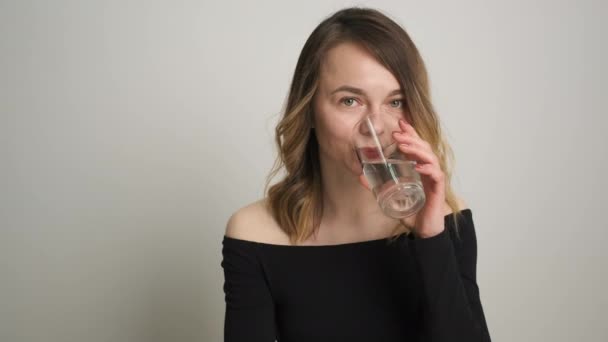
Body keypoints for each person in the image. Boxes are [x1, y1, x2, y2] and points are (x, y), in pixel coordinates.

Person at [220, 6, 492, 342]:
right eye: (350, 101)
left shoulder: (445, 219)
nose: (376, 126)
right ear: (308, 111)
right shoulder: (255, 233)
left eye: (395, 102)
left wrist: (431, 239)